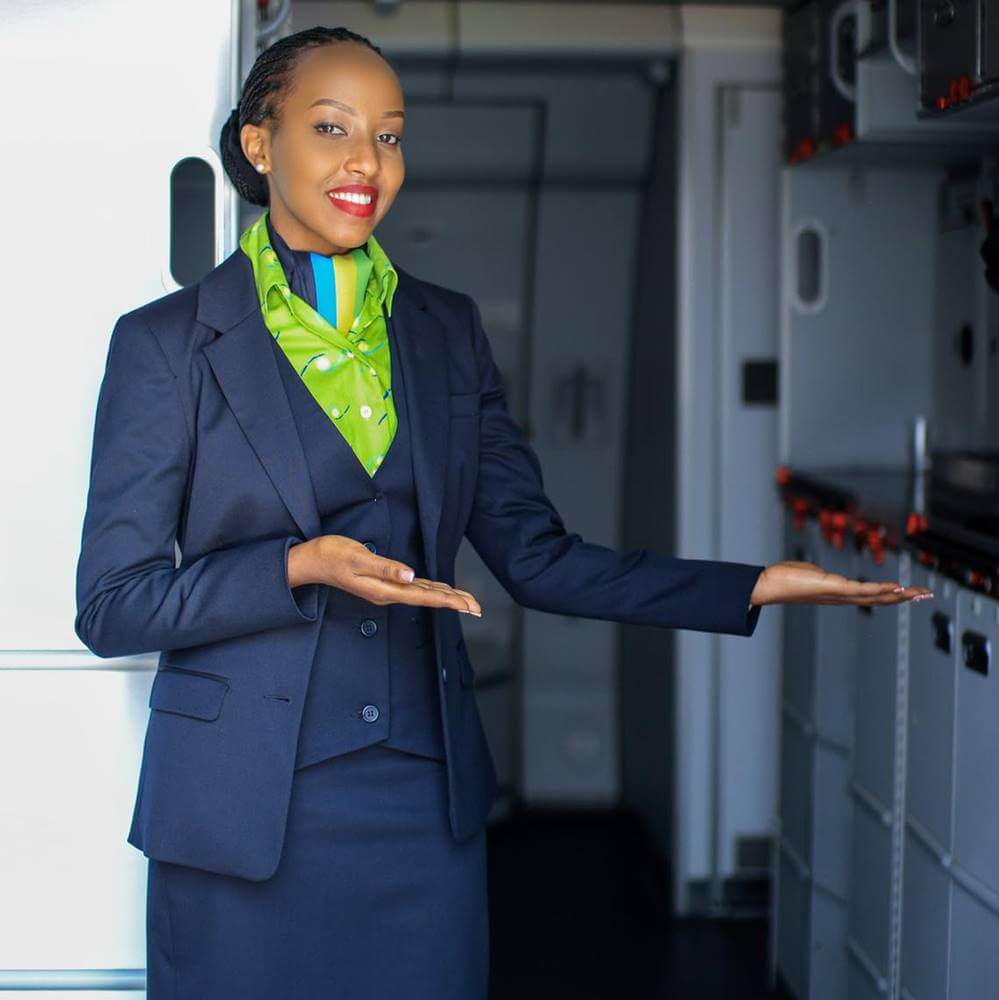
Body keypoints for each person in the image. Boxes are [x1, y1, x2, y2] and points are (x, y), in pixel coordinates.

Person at [73, 24, 933, 1000]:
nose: (367, 161)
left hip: (415, 802)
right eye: (331, 127)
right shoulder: (166, 345)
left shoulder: (444, 330)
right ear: (261, 145)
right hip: (237, 808)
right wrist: (296, 566)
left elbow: (538, 556)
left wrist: (754, 584)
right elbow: (114, 604)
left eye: (390, 135)